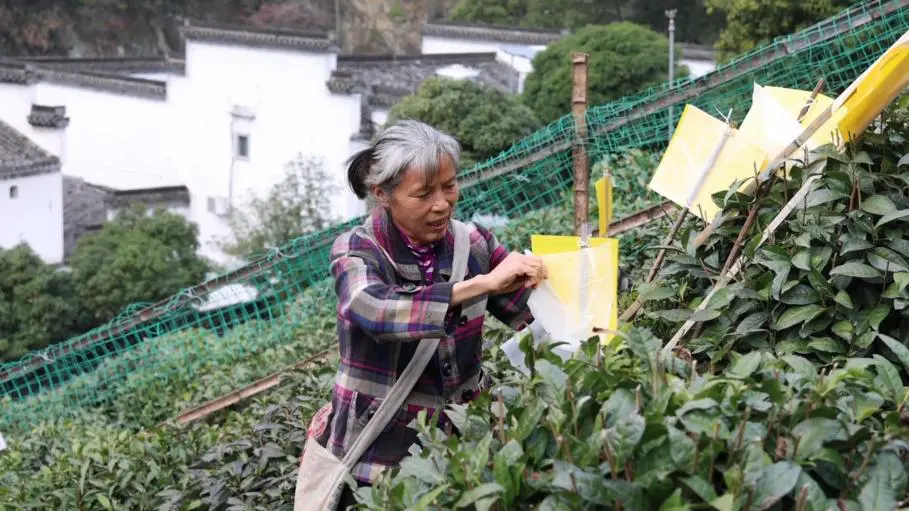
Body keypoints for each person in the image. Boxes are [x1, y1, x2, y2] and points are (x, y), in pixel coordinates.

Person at [323, 120, 546, 508]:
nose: (441, 203)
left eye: (449, 186)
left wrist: (581, 282)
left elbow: (532, 311)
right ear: (383, 195)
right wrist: (483, 285)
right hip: (376, 461)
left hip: (461, 456)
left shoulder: (471, 243)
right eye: (422, 193)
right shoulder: (357, 249)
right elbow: (374, 308)